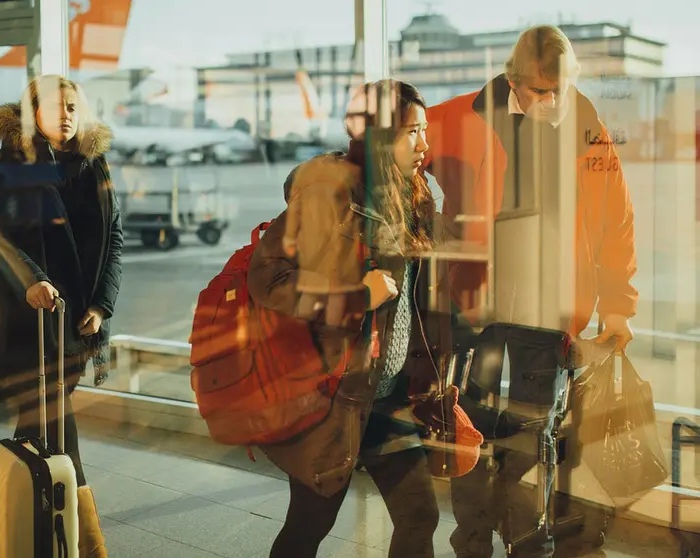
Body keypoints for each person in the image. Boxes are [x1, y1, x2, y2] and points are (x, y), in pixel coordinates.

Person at [422, 26, 638, 557]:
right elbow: (399, 155)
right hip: (479, 308)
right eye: (539, 91)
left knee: (532, 433)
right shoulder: (460, 116)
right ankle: (473, 539)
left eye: (558, 90)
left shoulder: (588, 127)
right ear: (513, 81)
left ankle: (521, 532)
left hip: (549, 311)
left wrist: (618, 307)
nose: (550, 101)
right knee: (470, 427)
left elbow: (617, 222)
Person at [250, 80, 467, 558]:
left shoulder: (416, 197)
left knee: (419, 515)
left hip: (390, 397)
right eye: (413, 132)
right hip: (335, 400)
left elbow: (422, 297)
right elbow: (267, 280)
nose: (424, 144)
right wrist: (353, 297)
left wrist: (437, 373)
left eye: (425, 131)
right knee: (308, 526)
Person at [0, 75, 122, 558]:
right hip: (28, 318)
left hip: (77, 322)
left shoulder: (94, 165)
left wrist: (102, 305)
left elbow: (114, 238)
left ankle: (19, 524)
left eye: (73, 106)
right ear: (32, 111)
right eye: (56, 106)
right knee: (53, 425)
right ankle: (83, 543)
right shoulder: (9, 163)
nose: (66, 114)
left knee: (39, 431)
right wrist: (32, 277)